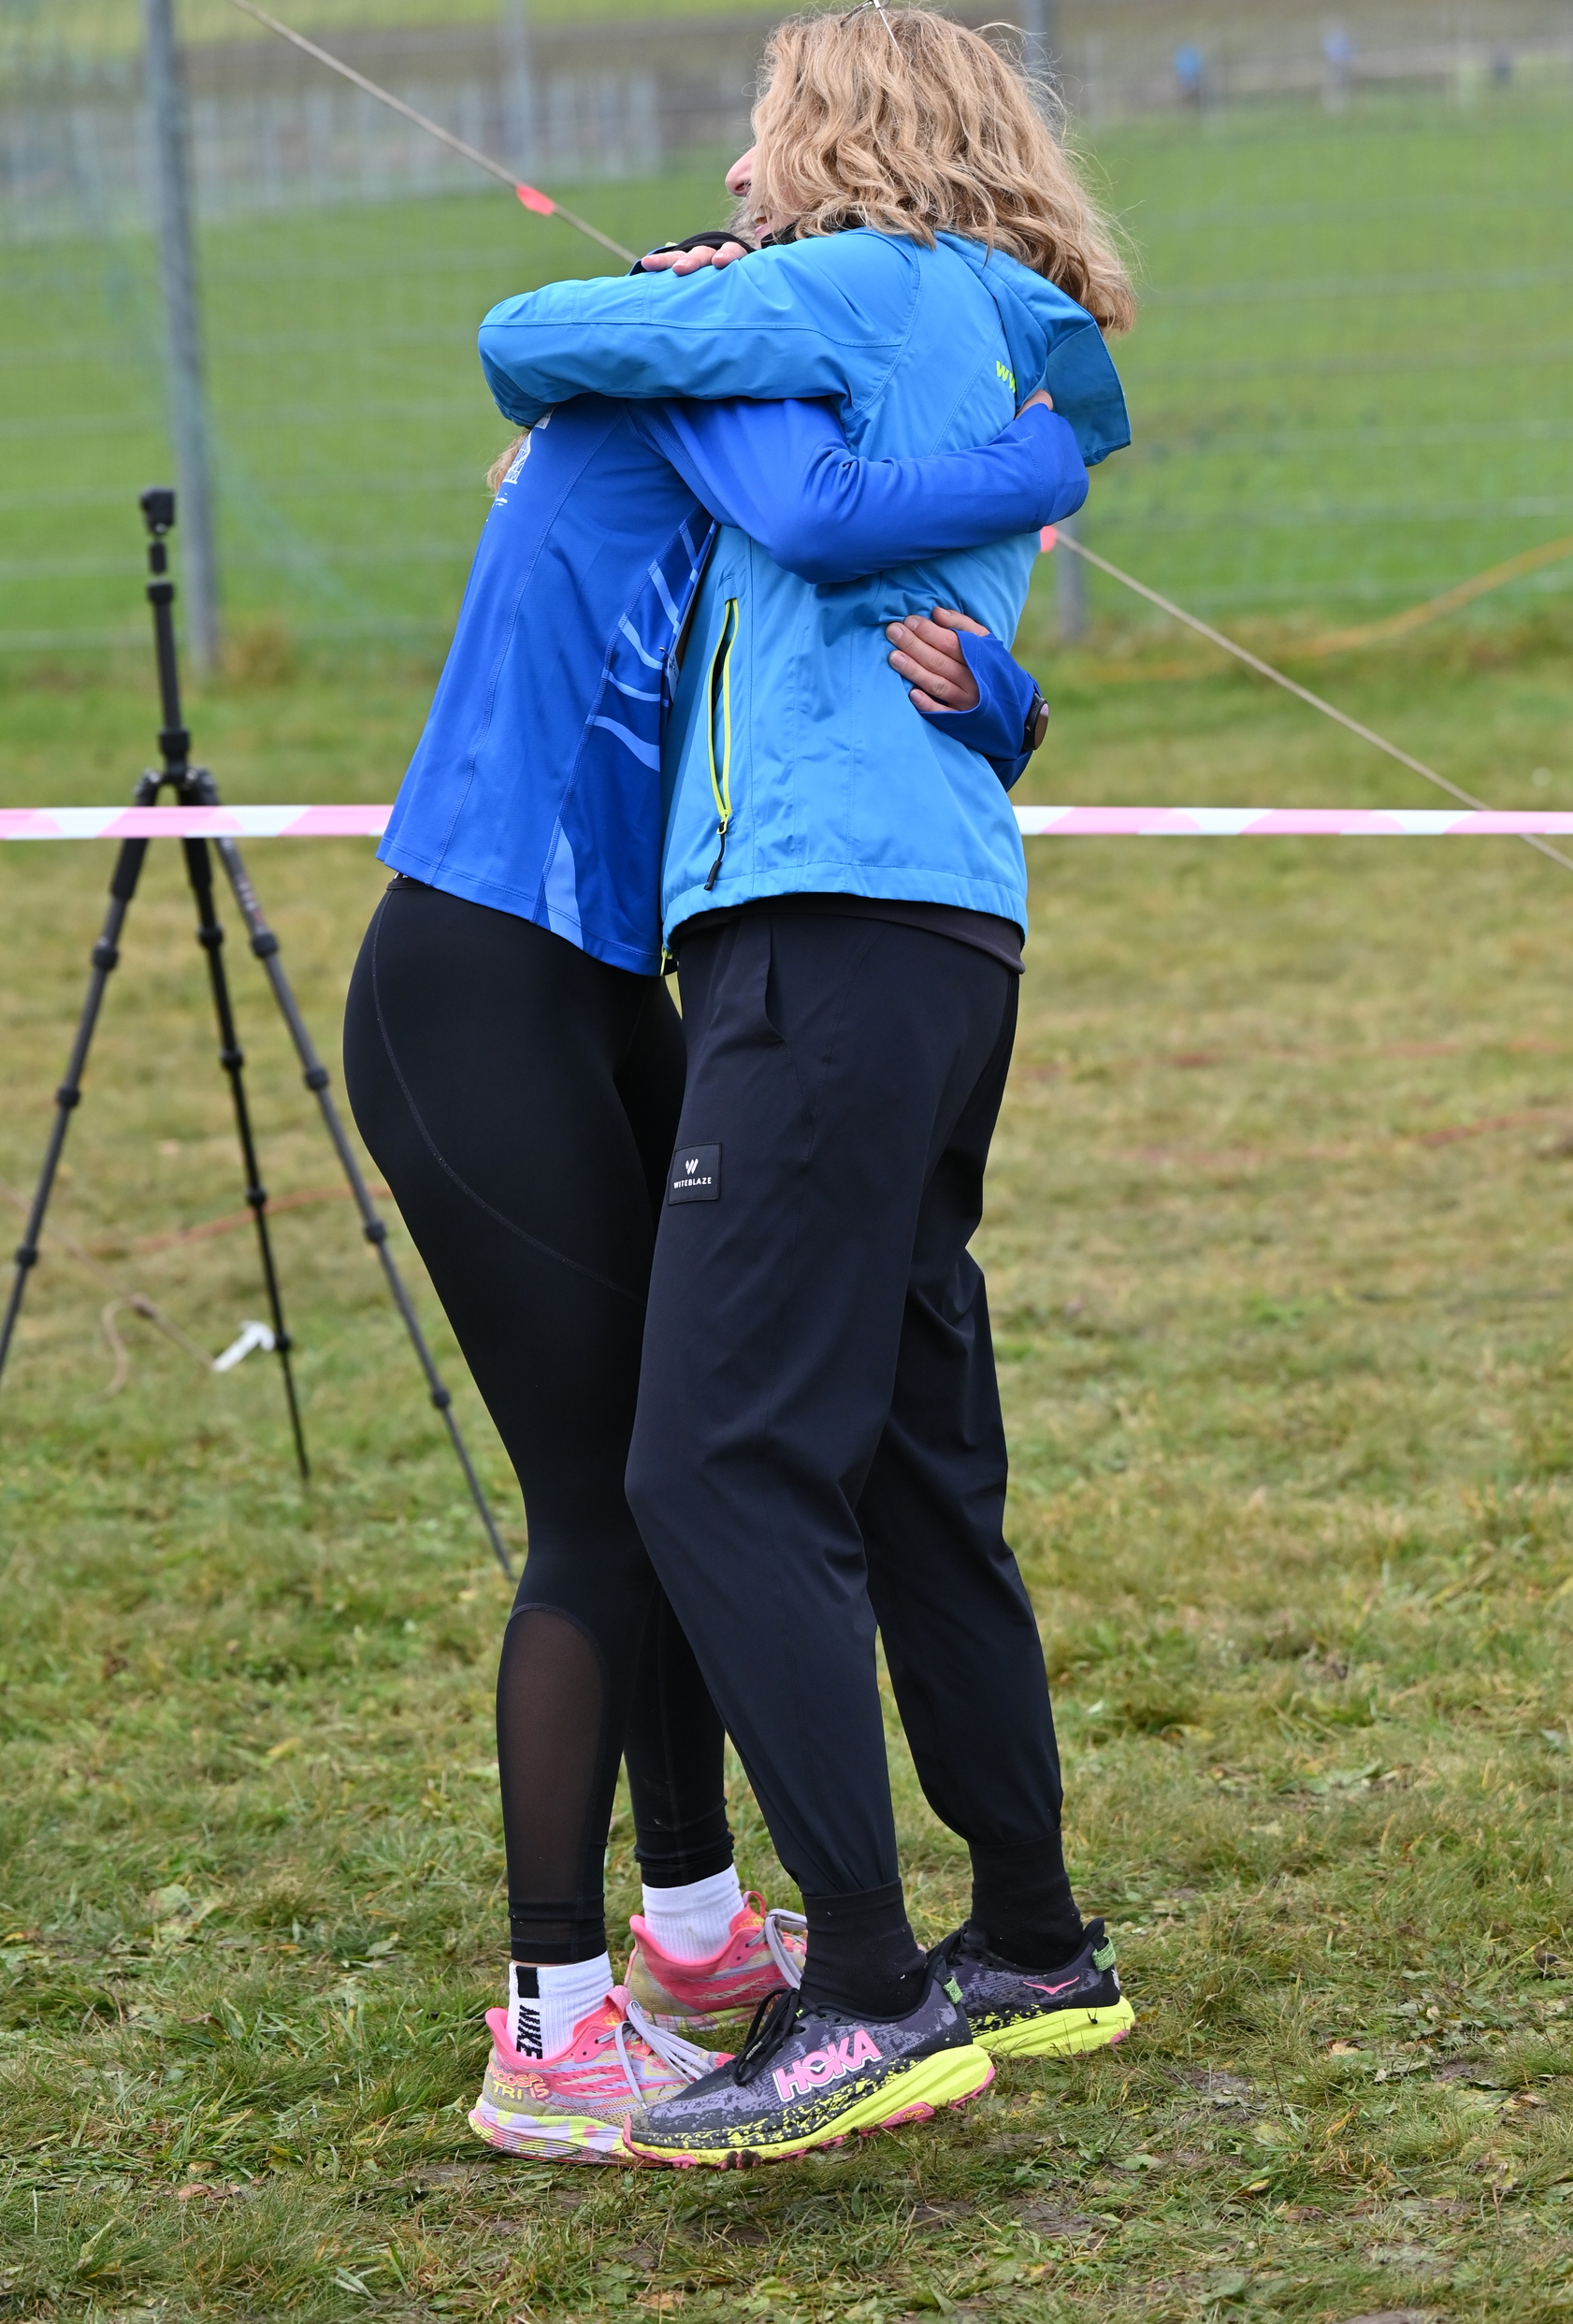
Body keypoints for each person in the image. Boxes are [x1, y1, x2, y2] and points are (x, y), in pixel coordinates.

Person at [341, 227, 1087, 2164]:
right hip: (476, 970)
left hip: (617, 986)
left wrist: (999, 690)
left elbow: (878, 632)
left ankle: (691, 1935)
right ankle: (550, 2024)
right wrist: (1043, 450)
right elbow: (819, 499)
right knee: (607, 1502)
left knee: (686, 1455)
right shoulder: (699, 379)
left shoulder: (741, 425)